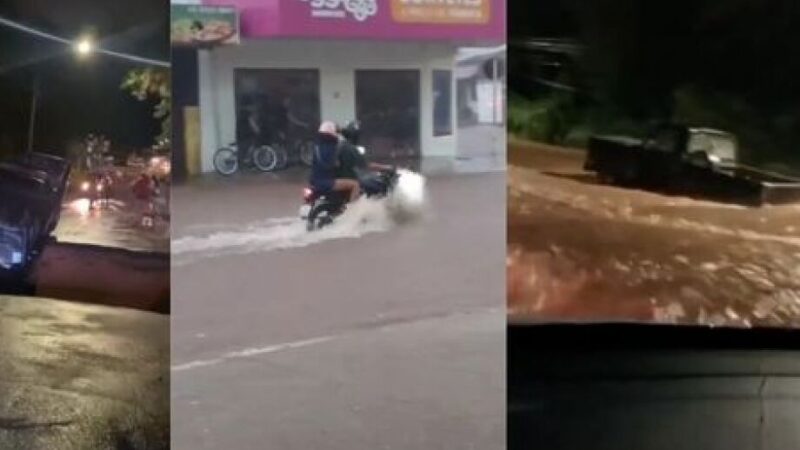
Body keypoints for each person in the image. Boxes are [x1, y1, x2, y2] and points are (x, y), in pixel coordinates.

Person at [336, 120, 394, 194]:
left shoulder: (343, 145)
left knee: (372, 179)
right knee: (379, 185)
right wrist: (387, 167)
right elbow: (366, 165)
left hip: (343, 178)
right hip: (350, 179)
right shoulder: (350, 148)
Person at [310, 121, 359, 202]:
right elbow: (337, 164)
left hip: (314, 181)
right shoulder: (334, 147)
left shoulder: (316, 147)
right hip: (328, 182)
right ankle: (352, 212)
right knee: (355, 184)